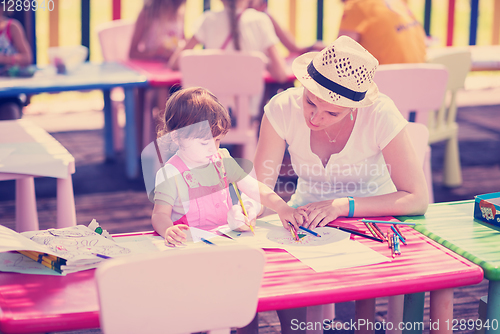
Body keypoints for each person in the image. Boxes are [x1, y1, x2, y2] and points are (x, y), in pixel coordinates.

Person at [251, 36, 428, 332]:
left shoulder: (380, 113)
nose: (315, 117)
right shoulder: (282, 108)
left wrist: (342, 206)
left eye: (332, 112)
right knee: (272, 270)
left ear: (354, 108)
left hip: (375, 216)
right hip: (305, 213)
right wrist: (271, 208)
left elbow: (417, 198)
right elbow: (258, 188)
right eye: (310, 102)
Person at [150, 87, 299, 246]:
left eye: (218, 140)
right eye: (204, 142)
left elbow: (255, 188)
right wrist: (168, 230)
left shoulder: (221, 160)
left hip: (226, 239)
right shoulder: (170, 173)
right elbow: (159, 214)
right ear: (177, 137)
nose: (212, 148)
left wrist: (281, 207)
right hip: (190, 245)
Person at [168, 0, 289, 84]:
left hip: (210, 115)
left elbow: (175, 62)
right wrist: (265, 62)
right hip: (246, 117)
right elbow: (281, 74)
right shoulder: (261, 21)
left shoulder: (208, 20)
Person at [338, 0, 427, 64]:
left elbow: (339, 55)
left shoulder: (356, 4)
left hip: (387, 80)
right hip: (420, 75)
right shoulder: (397, 2)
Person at [248, 0, 325, 56]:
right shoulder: (259, 19)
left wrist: (313, 46)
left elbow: (294, 47)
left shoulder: (264, 14)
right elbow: (280, 74)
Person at [0, 7, 33, 120]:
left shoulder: (11, 27)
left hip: (7, 89)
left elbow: (27, 58)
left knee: (9, 112)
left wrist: (4, 59)